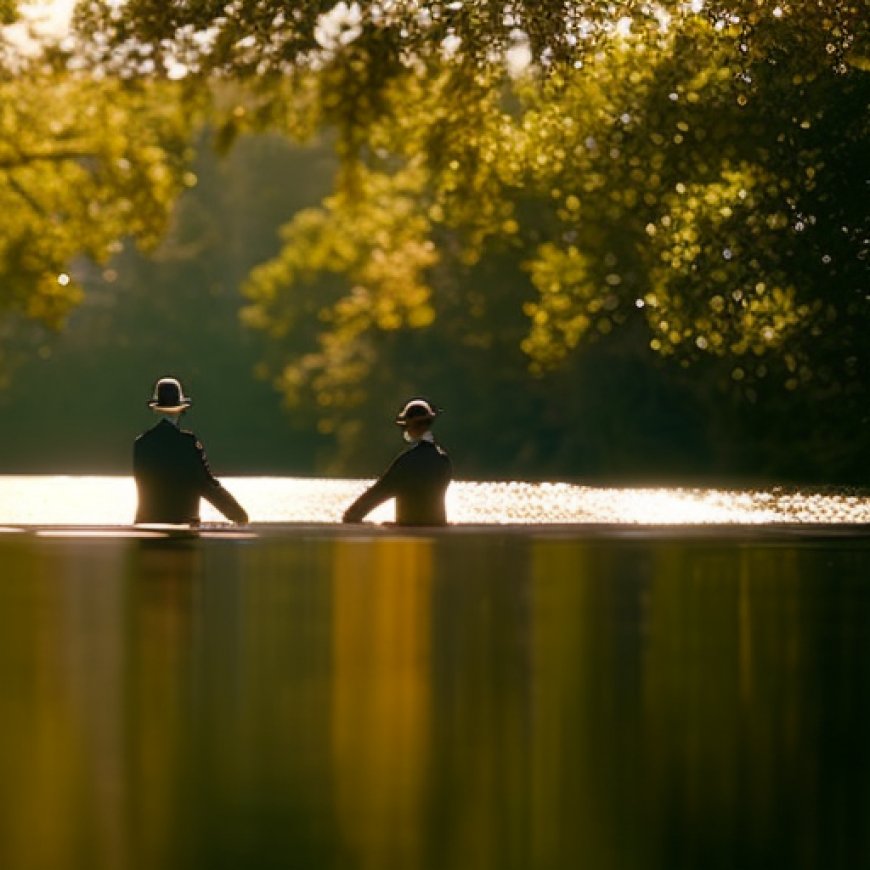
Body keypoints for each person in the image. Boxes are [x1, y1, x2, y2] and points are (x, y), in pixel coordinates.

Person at [133, 376, 248, 525]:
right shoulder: (188, 443)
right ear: (181, 410)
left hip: (145, 527)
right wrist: (240, 516)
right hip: (184, 528)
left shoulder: (141, 444)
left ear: (156, 409)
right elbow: (207, 486)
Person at [342, 398, 452, 525]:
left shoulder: (407, 461)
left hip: (409, 533)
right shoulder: (443, 461)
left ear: (410, 425)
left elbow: (378, 492)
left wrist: (350, 515)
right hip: (438, 527)